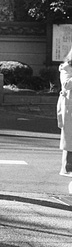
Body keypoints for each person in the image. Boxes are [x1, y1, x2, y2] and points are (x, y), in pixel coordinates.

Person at [57, 47, 72, 177]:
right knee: (69, 138)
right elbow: (66, 84)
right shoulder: (66, 67)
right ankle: (67, 167)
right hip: (69, 105)